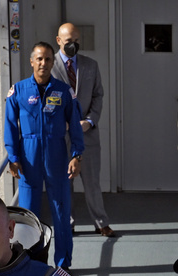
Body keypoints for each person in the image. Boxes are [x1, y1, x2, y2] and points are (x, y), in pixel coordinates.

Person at [5, 42, 85, 270]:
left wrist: (76, 155)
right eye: (39, 59)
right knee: (29, 216)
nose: (43, 63)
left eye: (48, 59)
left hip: (57, 155)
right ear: (31, 61)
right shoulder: (18, 90)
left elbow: (76, 127)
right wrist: (13, 156)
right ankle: (31, 265)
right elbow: (10, 125)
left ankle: (63, 265)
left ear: (53, 62)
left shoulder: (63, 91)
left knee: (61, 211)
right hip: (28, 157)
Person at [52, 22, 116, 238]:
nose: (73, 45)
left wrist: (90, 121)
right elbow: (45, 101)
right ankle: (68, 224)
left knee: (92, 182)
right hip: (61, 137)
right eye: (69, 41)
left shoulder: (91, 65)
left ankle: (101, 222)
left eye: (77, 41)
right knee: (64, 183)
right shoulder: (49, 66)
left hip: (87, 134)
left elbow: (99, 95)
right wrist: (63, 122)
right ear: (59, 40)